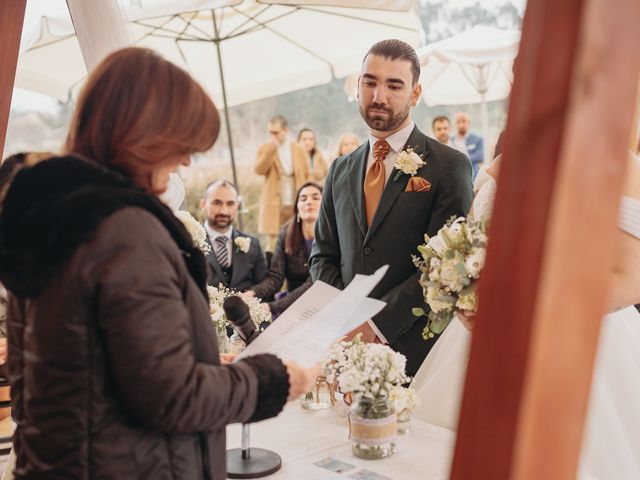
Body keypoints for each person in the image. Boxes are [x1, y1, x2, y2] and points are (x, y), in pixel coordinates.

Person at [0, 47, 318, 480]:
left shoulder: (48, 214)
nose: (187, 160)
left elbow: (78, 367)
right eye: (183, 143)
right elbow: (174, 398)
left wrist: (197, 360)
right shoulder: (124, 232)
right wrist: (272, 381)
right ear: (143, 135)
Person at [412, 150, 640, 479]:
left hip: (577, 338)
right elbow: (470, 242)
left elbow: (630, 279)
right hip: (482, 336)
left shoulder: (624, 165)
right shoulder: (508, 156)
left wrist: (525, 311)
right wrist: (465, 296)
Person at [309, 39, 473, 376]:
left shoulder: (448, 166)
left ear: (415, 94)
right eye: (369, 82)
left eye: (393, 85)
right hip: (345, 351)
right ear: (357, 86)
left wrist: (377, 325)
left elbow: (445, 266)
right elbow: (322, 256)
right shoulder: (340, 169)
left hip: (415, 352)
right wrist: (344, 320)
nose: (378, 96)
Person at [248, 182, 322, 317]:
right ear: (297, 208)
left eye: (315, 198)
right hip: (291, 304)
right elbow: (276, 278)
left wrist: (272, 306)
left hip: (322, 303)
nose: (309, 202)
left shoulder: (331, 237)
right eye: (303, 199)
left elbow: (313, 283)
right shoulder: (286, 234)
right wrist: (252, 293)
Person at [200, 179, 267, 291]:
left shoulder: (253, 244)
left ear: (237, 206)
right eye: (217, 203)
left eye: (230, 204)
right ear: (203, 204)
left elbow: (264, 286)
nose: (224, 211)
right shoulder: (189, 242)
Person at [254, 115, 310, 246]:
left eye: (275, 132)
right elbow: (259, 170)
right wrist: (270, 150)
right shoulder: (265, 148)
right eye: (270, 132)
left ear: (285, 131)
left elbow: (307, 174)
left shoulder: (298, 149)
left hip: (296, 200)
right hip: (274, 204)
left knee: (297, 240)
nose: (272, 135)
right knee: (274, 243)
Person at [452, 111, 484, 179]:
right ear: (455, 124)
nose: (461, 125)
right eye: (458, 122)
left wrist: (460, 160)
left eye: (463, 121)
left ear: (469, 123)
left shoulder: (478, 139)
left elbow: (480, 157)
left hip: (472, 174)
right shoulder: (451, 140)